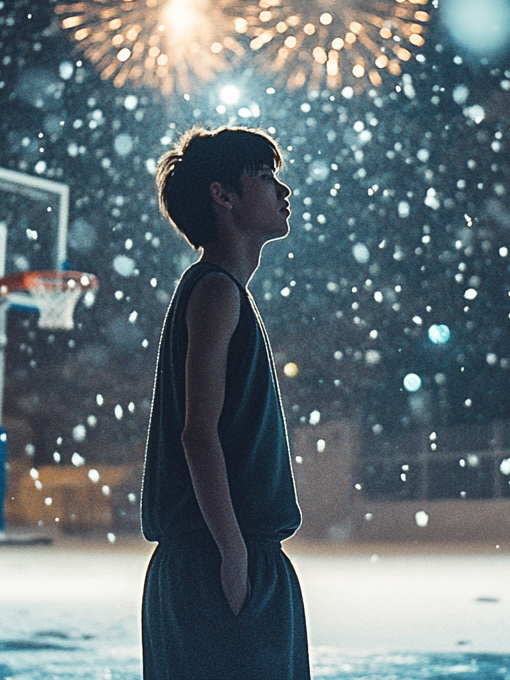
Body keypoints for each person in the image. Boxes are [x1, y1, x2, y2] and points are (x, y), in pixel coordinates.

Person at [140, 125, 310, 679]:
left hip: (215, 559)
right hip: (217, 561)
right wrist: (234, 555)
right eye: (265, 177)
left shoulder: (219, 290)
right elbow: (198, 433)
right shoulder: (215, 291)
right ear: (223, 195)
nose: (284, 191)